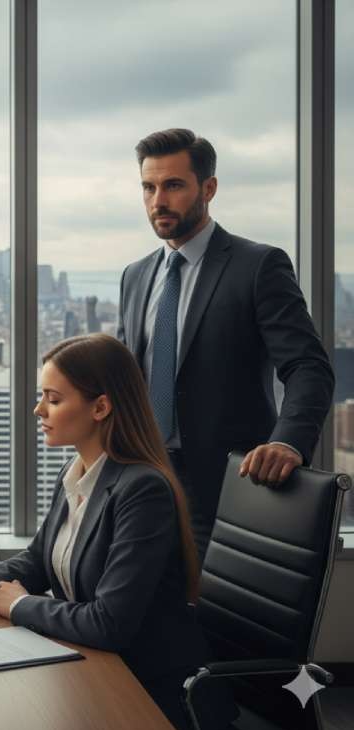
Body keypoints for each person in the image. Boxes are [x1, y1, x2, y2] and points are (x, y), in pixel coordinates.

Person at [0, 334, 235, 730]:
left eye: (53, 399)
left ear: (101, 406)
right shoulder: (76, 472)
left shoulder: (142, 490)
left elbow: (109, 622)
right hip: (92, 666)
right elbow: (40, 559)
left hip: (147, 692)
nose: (38, 409)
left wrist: (21, 605)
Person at [118, 128, 334, 560]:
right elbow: (124, 380)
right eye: (149, 187)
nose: (158, 200)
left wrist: (287, 442)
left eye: (174, 185)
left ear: (208, 188)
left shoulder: (258, 266)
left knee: (217, 618)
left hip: (230, 485)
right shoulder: (136, 275)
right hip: (143, 480)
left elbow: (308, 367)